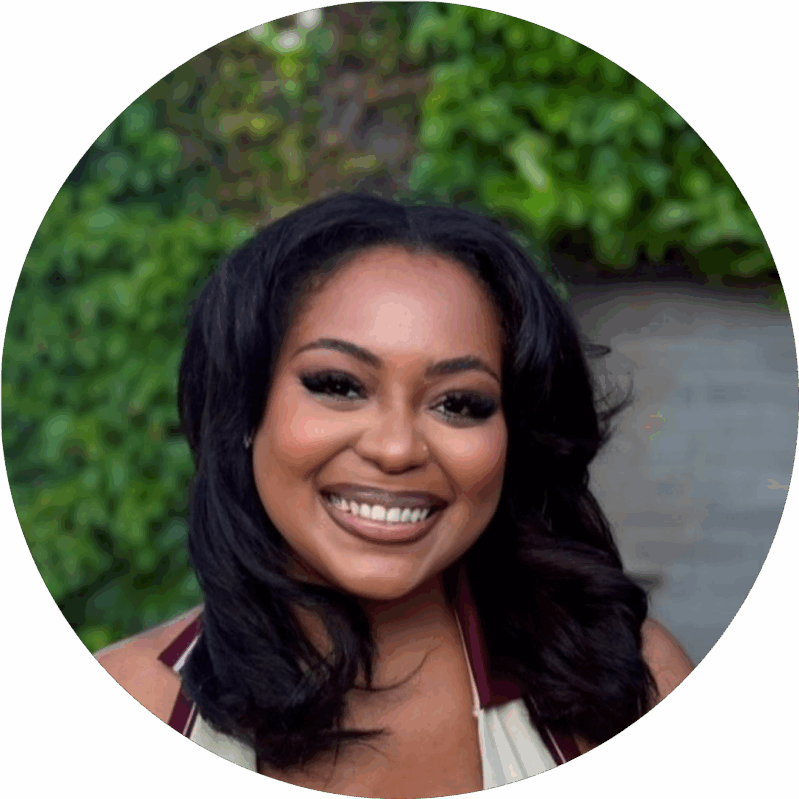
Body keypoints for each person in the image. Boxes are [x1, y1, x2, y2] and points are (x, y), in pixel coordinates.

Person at [96, 192, 693, 797]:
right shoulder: (122, 707)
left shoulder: (632, 683)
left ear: (515, 438)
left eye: (459, 403)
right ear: (247, 410)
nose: (396, 448)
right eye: (339, 385)